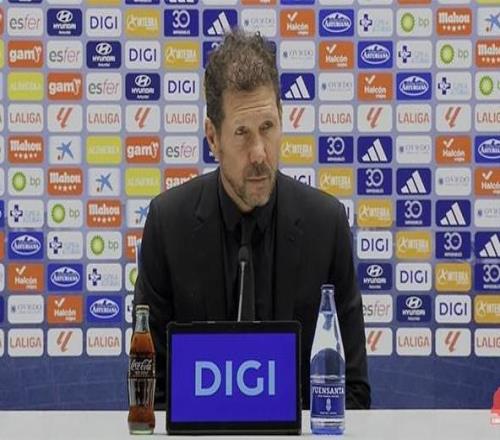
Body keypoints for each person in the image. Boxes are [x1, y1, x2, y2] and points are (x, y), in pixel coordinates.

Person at [133, 29, 370, 410]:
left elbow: (353, 392)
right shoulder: (168, 225)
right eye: (242, 133)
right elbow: (150, 393)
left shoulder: (326, 226)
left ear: (282, 120)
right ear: (213, 138)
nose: (259, 153)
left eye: (267, 128)